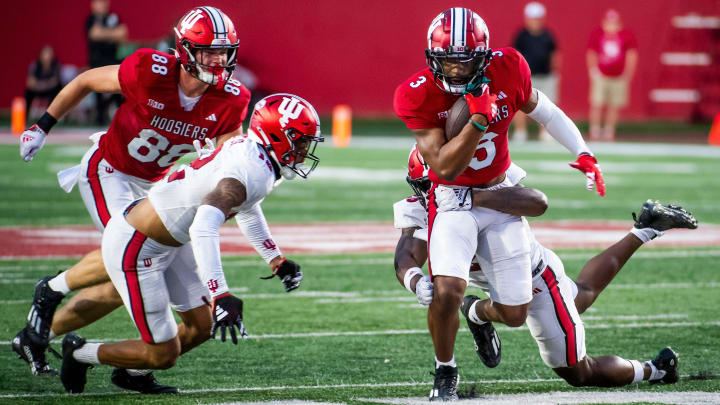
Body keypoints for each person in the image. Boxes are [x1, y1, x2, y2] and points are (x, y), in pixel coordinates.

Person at [14, 6, 250, 393]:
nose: (218, 59)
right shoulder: (149, 71)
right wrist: (42, 126)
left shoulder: (231, 99)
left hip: (156, 186)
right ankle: (51, 292)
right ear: (186, 50)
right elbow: (88, 80)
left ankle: (125, 367)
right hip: (110, 171)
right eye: (209, 51)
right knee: (129, 257)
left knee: (199, 323)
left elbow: (225, 160)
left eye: (224, 51)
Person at [393, 7, 607, 401]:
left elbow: (545, 111)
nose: (455, 71)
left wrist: (584, 151)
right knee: (447, 290)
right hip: (452, 199)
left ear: (485, 56)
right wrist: (477, 121)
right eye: (447, 61)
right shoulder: (417, 92)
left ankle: (478, 314)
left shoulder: (508, 66)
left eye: (464, 61)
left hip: (501, 193)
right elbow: (444, 167)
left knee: (514, 313)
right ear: (431, 57)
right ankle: (445, 371)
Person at [59, 93, 320, 394]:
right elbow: (204, 225)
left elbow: (245, 205)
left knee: (202, 326)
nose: (303, 151)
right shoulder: (251, 168)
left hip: (168, 239)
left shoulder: (255, 156)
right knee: (164, 354)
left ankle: (133, 373)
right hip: (137, 246)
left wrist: (275, 259)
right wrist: (220, 294)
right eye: (299, 141)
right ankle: (78, 354)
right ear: (275, 135)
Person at [438, 190, 696, 390]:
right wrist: (414, 279)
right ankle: (646, 228)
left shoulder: (478, 189)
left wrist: (474, 196)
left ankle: (656, 369)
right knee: (581, 296)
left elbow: (536, 200)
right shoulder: (431, 205)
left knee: (579, 372)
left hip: (536, 280)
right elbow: (408, 253)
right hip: (513, 275)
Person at [510, 2, 559, 142]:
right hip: (526, 77)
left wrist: (555, 70)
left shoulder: (547, 36)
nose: (535, 22)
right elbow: (515, 56)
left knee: (547, 105)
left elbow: (554, 54)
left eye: (537, 19)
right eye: (532, 18)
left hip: (545, 76)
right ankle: (520, 132)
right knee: (520, 104)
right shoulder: (521, 36)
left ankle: (545, 133)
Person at [587, 9, 638, 141]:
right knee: (597, 103)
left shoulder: (626, 36)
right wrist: (593, 71)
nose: (611, 26)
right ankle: (595, 130)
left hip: (619, 76)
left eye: (614, 23)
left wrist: (628, 74)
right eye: (609, 23)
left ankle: (609, 131)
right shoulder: (598, 34)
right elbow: (591, 53)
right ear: (604, 23)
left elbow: (631, 55)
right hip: (602, 75)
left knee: (614, 105)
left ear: (620, 24)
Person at [86, 0, 128, 125]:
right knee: (98, 92)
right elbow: (94, 34)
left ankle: (122, 119)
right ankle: (100, 119)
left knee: (117, 92)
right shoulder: (90, 19)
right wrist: (112, 34)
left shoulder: (113, 17)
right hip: (96, 62)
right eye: (100, 2)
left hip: (113, 61)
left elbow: (123, 33)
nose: (103, 5)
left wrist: (102, 33)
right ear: (93, 5)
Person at [24, 45, 63, 117]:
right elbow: (30, 82)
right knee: (28, 92)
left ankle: (50, 115)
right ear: (41, 55)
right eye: (46, 54)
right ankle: (25, 115)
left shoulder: (56, 65)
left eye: (49, 54)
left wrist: (42, 84)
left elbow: (55, 81)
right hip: (38, 89)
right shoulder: (35, 65)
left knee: (56, 91)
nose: (47, 56)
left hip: (50, 90)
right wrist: (43, 84)